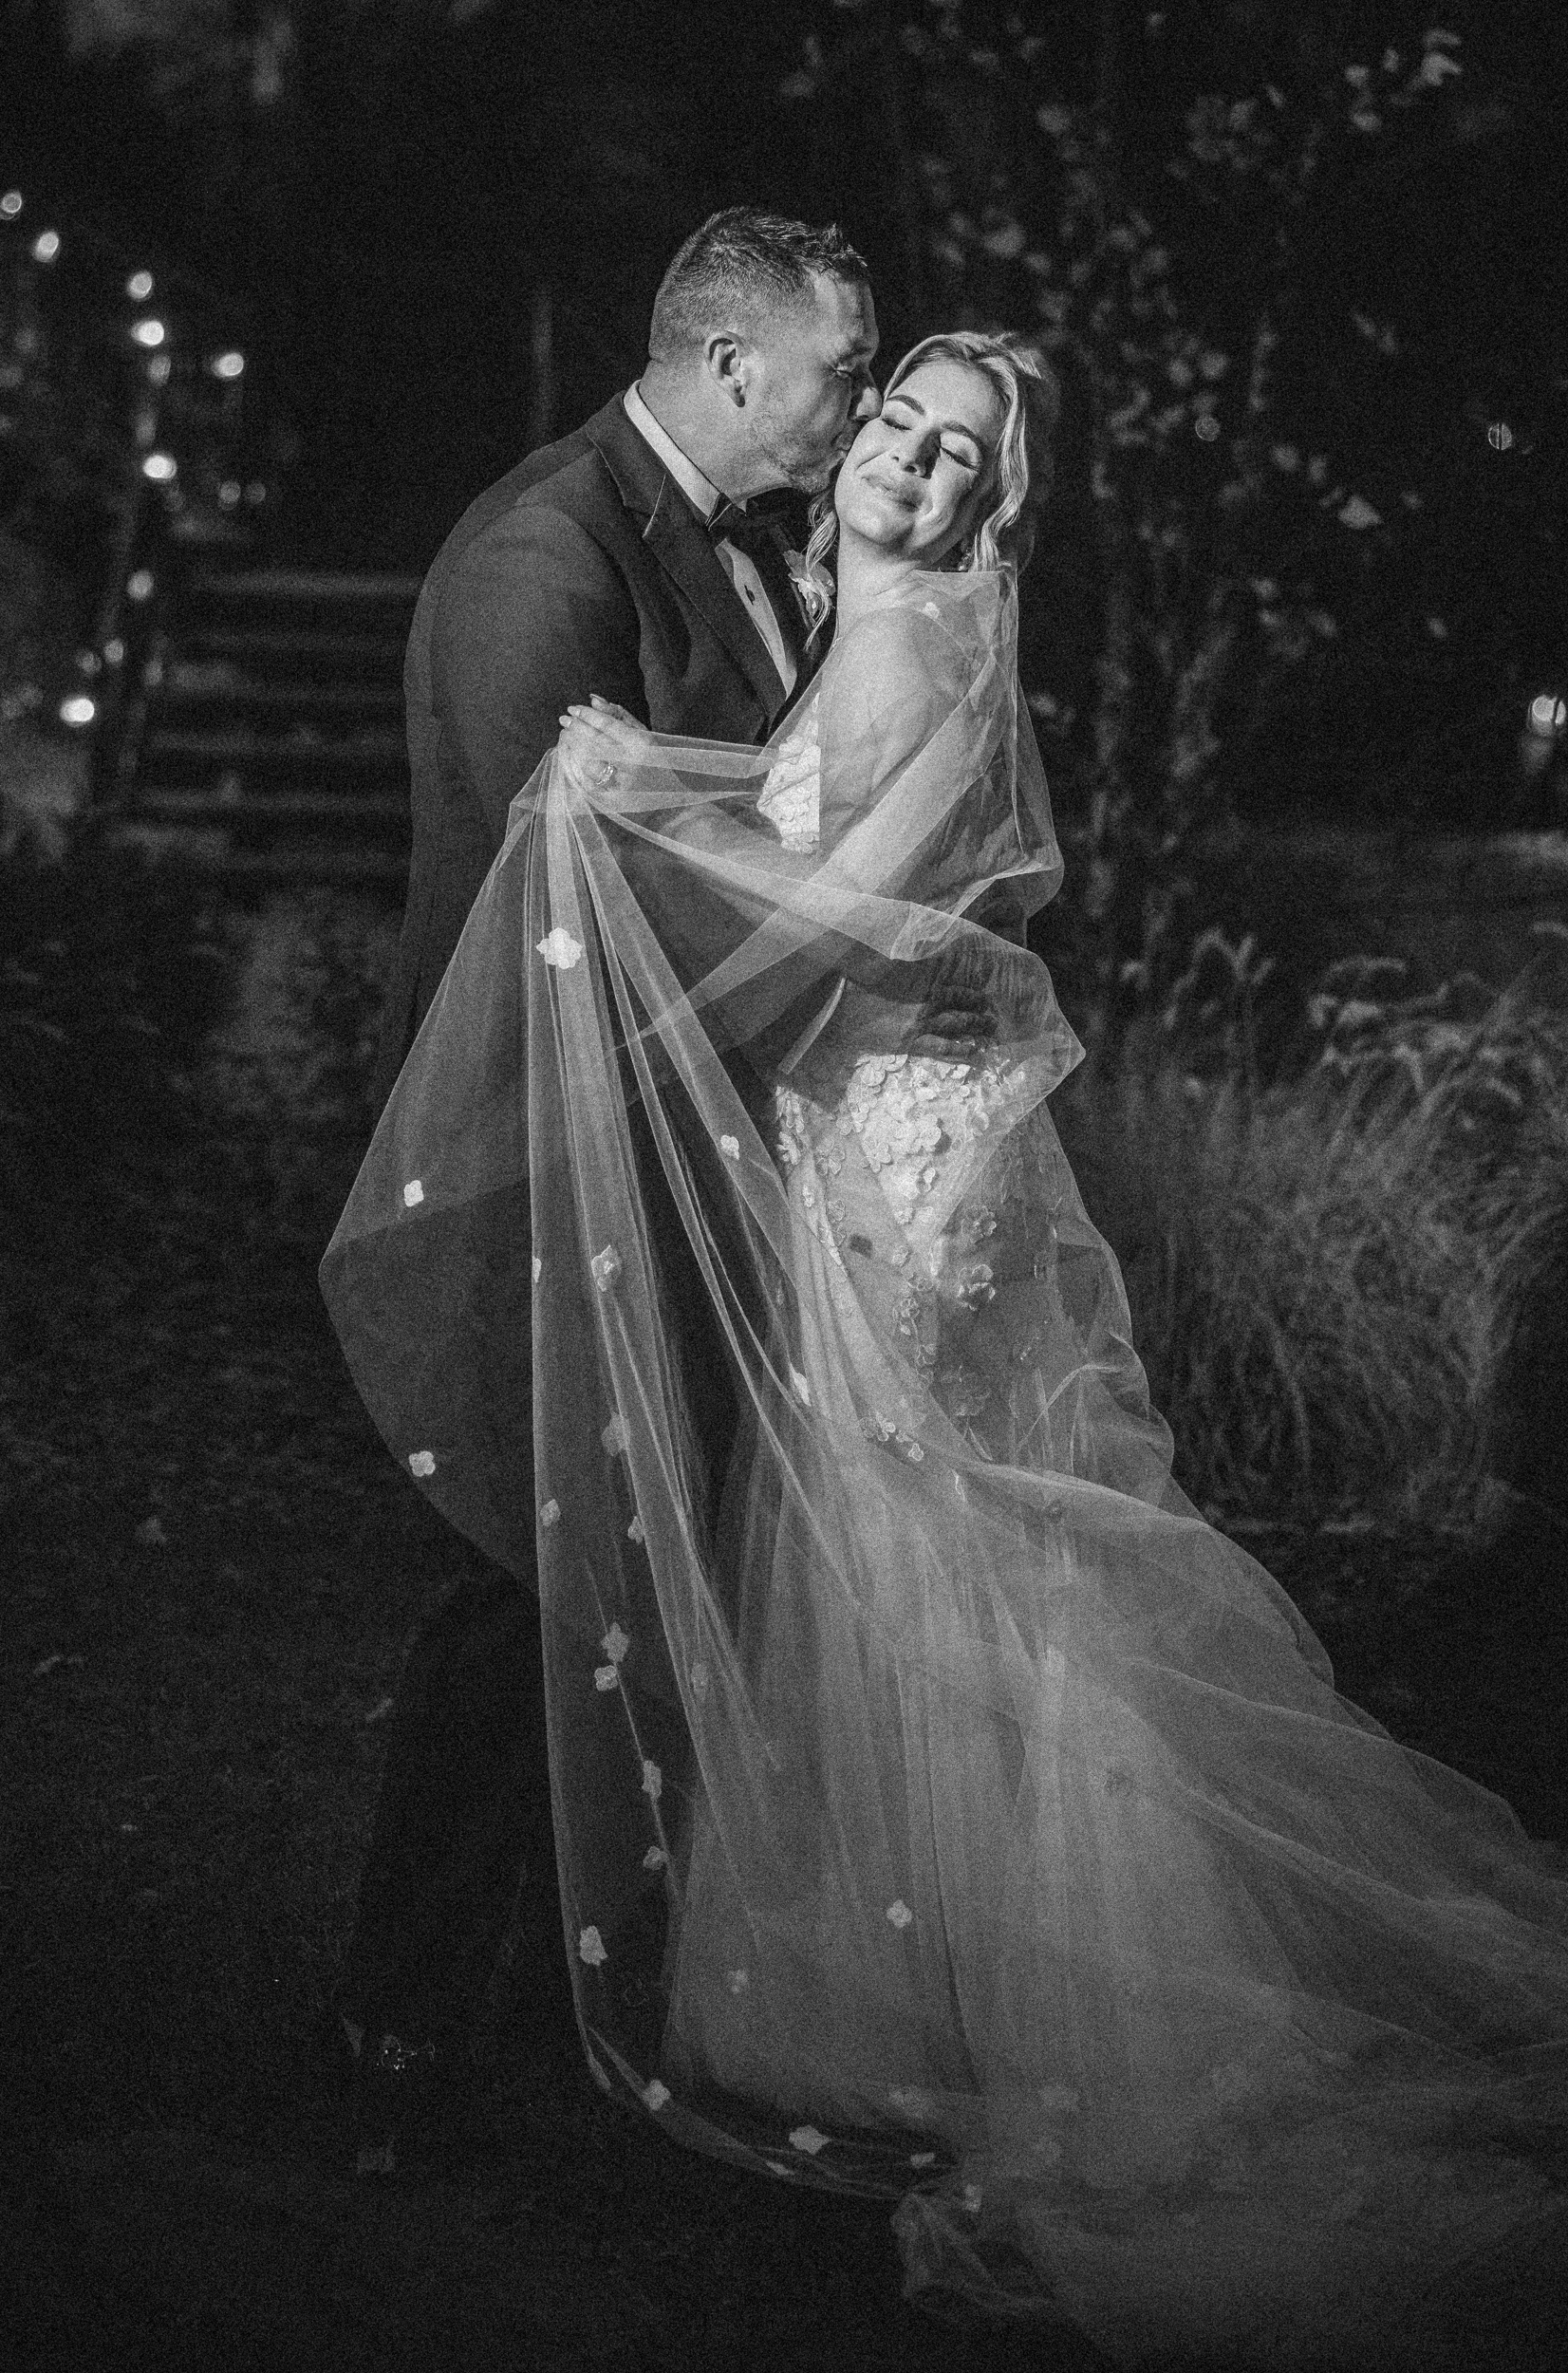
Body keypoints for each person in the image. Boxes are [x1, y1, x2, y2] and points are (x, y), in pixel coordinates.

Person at [323, 326, 1568, 2362]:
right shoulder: (877, 603)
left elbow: (851, 917)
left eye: (951, 451)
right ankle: (958, 1966)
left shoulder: (920, 636)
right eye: (895, 421)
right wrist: (664, 792)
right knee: (915, 1529)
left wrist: (628, 880)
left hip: (901, 1153)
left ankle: (1037, 2002)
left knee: (934, 1540)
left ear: (1000, 497)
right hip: (893, 1123)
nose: (901, 463)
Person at [323, 207, 885, 2176]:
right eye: (834, 373)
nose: (854, 407)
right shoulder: (538, 561)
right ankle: (404, 2019)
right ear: (729, 366)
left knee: (654, 1579)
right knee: (519, 1578)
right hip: (542, 1148)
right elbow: (544, 919)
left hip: (693, 1132)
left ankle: (599, 1981)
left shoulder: (737, 540)